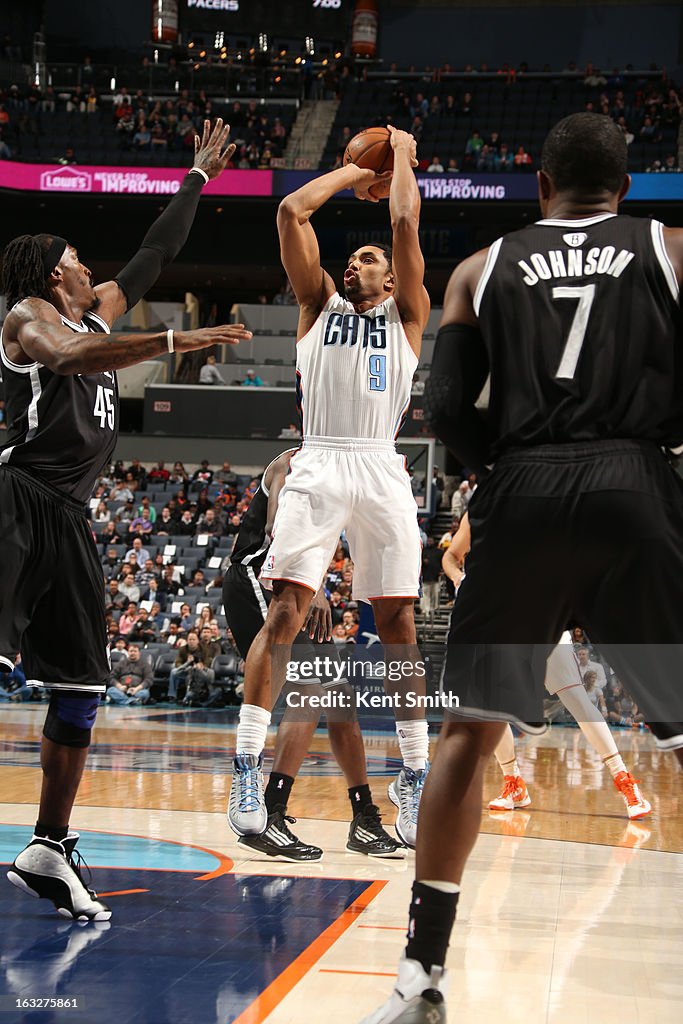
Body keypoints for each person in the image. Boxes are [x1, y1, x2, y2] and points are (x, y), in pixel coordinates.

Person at [361, 112, 683, 1022]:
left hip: (523, 494)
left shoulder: (481, 267)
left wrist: (496, 470)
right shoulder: (668, 250)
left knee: (469, 732)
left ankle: (421, 975)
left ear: (540, 186)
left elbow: (447, 406)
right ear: (628, 186)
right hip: (637, 485)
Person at [0, 118, 252, 922]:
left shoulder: (100, 315)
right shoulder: (26, 319)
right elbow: (67, 360)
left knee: (80, 689)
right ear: (49, 273)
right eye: (76, 259)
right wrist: (173, 339)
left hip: (69, 518)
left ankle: (47, 844)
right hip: (14, 502)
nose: (88, 266)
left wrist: (195, 180)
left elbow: (152, 254)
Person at [228, 125, 432, 850]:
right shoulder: (316, 306)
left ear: (391, 278)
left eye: (368, 257)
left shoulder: (409, 316)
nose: (357, 264)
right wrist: (351, 171)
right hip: (320, 460)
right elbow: (291, 213)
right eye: (350, 258)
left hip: (379, 464)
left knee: (400, 625)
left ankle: (412, 777)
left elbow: (405, 220)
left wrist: (400, 154)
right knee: (285, 611)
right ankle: (246, 765)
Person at [224, 450, 402, 859]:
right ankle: (269, 811)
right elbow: (276, 529)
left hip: (303, 585)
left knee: (339, 700)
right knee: (309, 688)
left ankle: (364, 819)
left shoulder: (350, 469)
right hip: (263, 579)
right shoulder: (293, 461)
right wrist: (316, 587)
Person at [443, 514, 651, 821]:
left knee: (577, 700)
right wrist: (460, 579)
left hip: (544, 618)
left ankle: (625, 781)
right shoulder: (481, 508)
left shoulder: (546, 502)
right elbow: (450, 556)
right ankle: (513, 782)